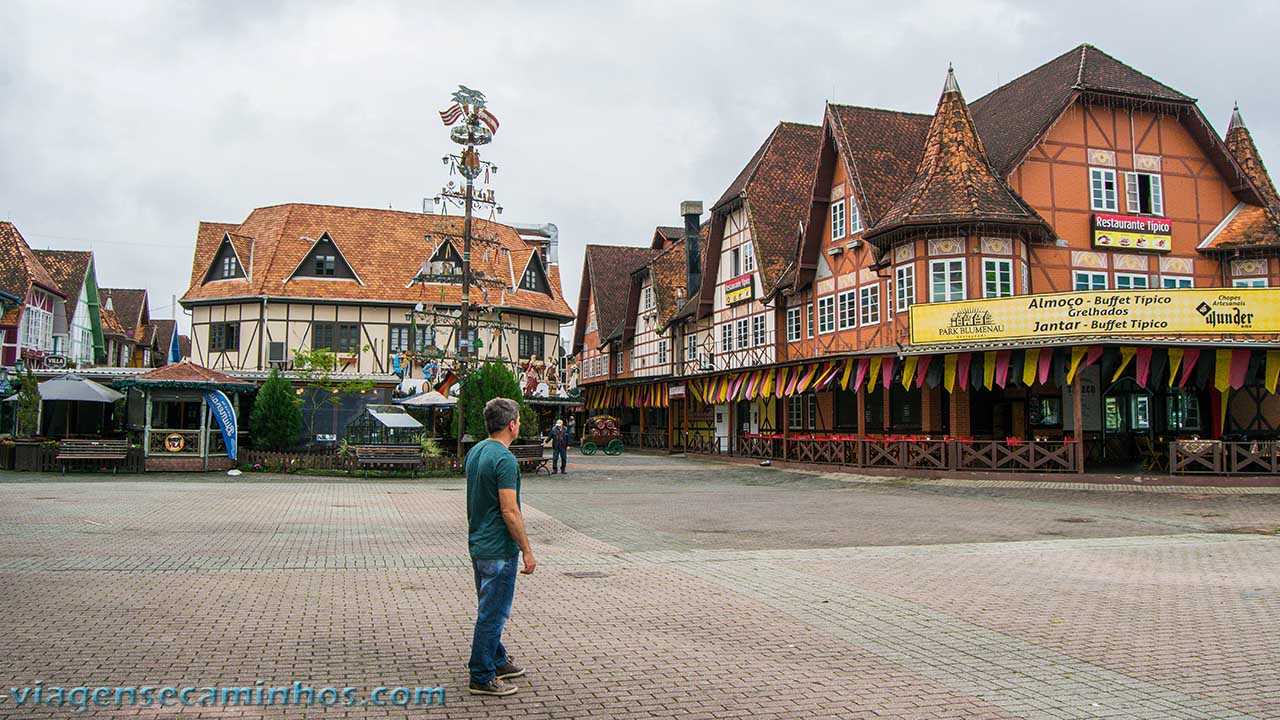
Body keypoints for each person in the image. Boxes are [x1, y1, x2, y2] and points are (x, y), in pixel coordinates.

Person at [465, 398, 536, 696]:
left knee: (489, 606)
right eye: (518, 419)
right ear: (512, 424)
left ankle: (496, 658)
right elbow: (509, 510)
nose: (519, 423)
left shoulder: (477, 451)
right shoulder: (505, 460)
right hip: (498, 548)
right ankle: (482, 674)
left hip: (479, 543)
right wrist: (527, 549)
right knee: (493, 613)